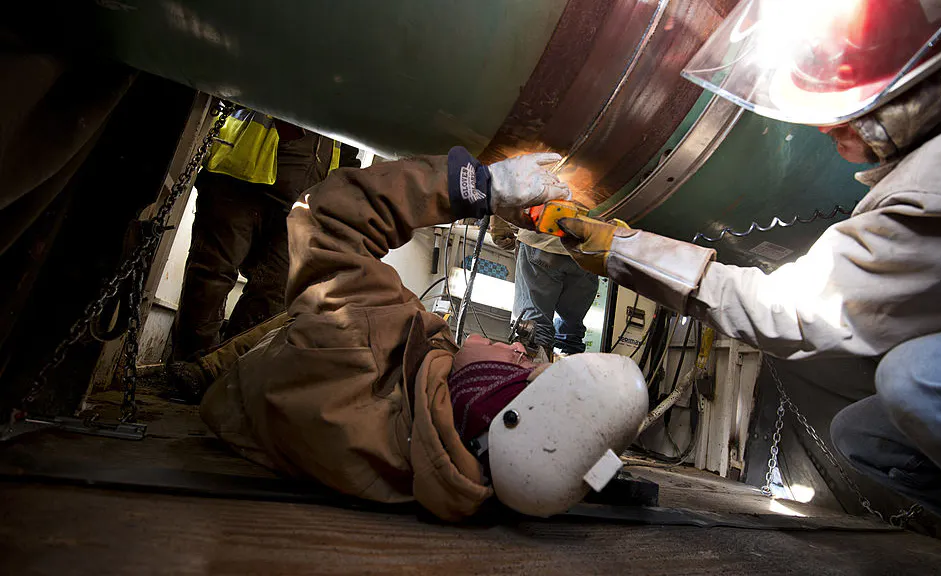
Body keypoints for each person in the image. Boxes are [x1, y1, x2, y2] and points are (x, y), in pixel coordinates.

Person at [557, 0, 941, 541]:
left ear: (912, 86)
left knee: (923, 379)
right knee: (869, 435)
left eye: (838, 115)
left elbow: (794, 312)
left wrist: (624, 251)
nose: (823, 129)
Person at [191, 148, 650, 521]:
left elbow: (328, 216)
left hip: (252, 370)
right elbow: (534, 445)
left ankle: (197, 368)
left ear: (479, 393)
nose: (517, 346)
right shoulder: (459, 455)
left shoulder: (359, 349)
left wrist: (474, 186)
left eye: (521, 365)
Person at [171, 105, 360, 361]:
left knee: (274, 288)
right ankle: (190, 364)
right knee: (212, 273)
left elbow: (347, 146)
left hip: (302, 196)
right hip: (239, 176)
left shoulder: (351, 87)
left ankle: (226, 370)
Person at [490, 217, 599, 355]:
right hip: (588, 248)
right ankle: (568, 371)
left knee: (534, 330)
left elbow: (501, 195)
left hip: (542, 238)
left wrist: (498, 227)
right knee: (570, 332)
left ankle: (534, 374)